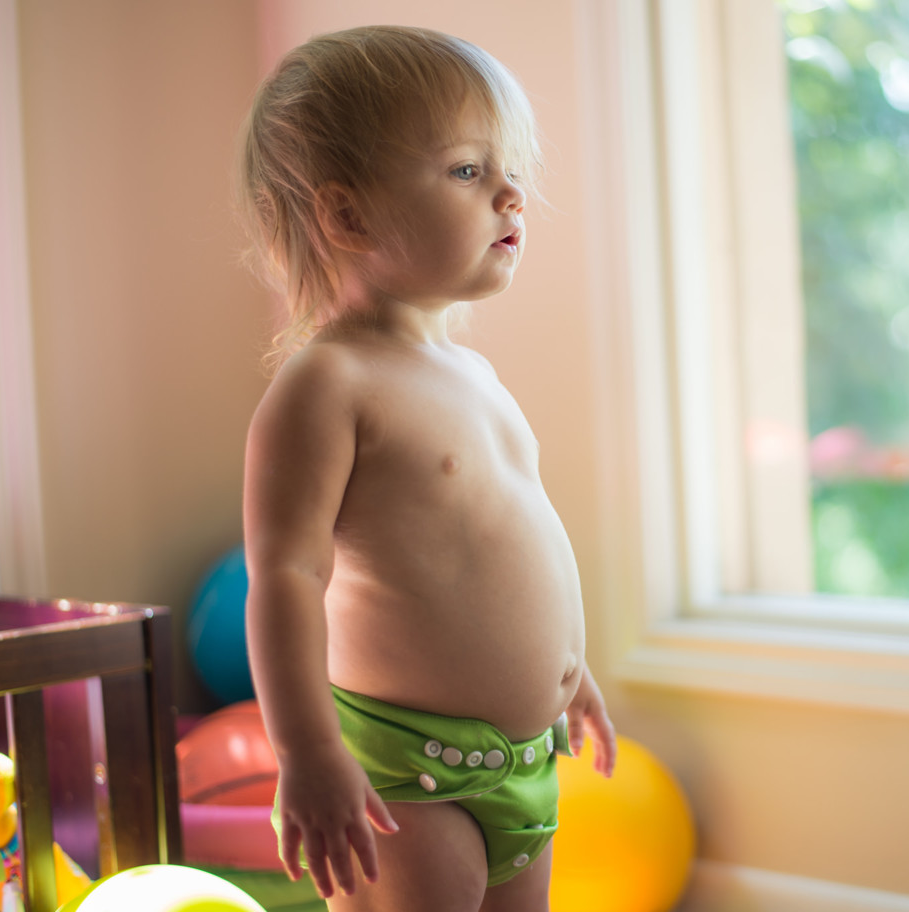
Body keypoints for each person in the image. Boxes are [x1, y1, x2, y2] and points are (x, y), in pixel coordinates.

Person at [237, 25, 617, 911]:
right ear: (347, 216)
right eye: (466, 172)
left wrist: (569, 667)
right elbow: (285, 574)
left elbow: (499, 540)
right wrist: (308, 752)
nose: (512, 194)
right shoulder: (328, 384)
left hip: (524, 763)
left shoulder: (472, 374)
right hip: (407, 772)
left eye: (508, 169)